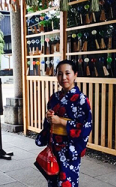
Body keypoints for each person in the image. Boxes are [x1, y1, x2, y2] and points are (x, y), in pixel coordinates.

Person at [35, 59, 92, 187]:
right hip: (54, 146)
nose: (63, 77)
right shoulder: (54, 97)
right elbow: (49, 122)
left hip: (69, 149)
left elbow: (85, 127)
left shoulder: (81, 99)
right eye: (60, 74)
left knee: (67, 182)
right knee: (53, 180)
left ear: (75, 74)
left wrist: (60, 121)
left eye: (67, 73)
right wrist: (49, 118)